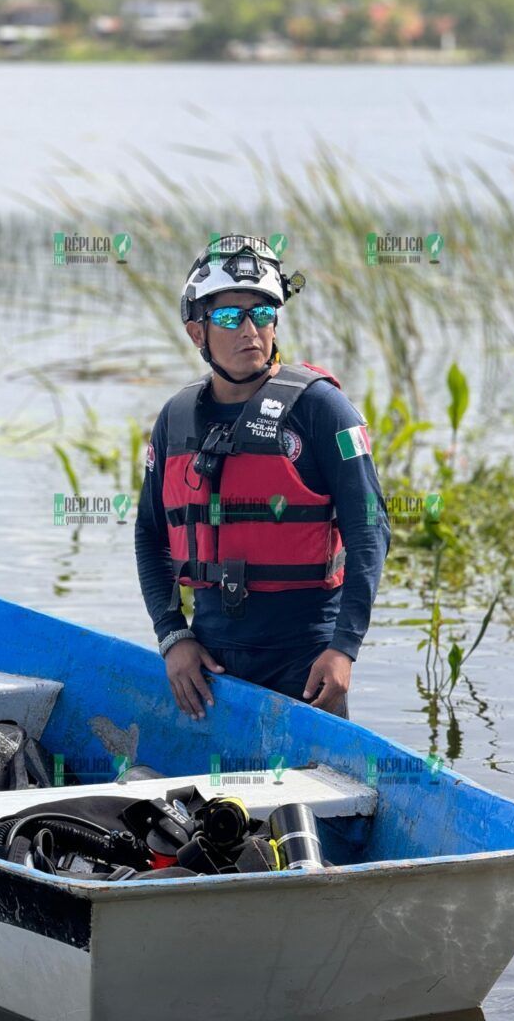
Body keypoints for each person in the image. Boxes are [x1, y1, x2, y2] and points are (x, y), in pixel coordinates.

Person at [135, 234, 390, 721]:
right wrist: (172, 635)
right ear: (197, 332)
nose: (248, 329)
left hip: (308, 663)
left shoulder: (322, 409)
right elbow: (150, 534)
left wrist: (344, 649)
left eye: (262, 313)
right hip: (210, 668)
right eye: (229, 317)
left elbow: (369, 531)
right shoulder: (175, 418)